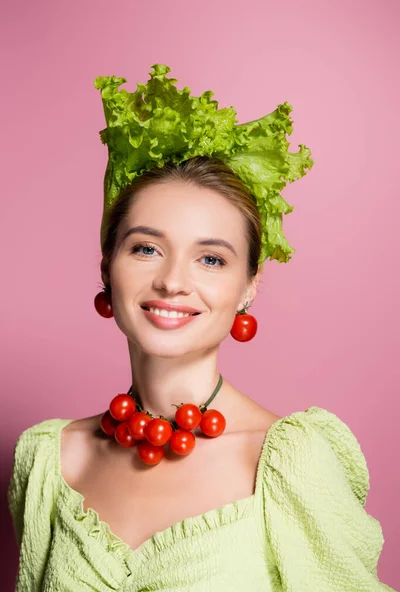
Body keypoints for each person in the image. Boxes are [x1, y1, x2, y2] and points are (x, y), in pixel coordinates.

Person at [7, 64, 394, 591]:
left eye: (210, 259)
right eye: (146, 248)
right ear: (107, 266)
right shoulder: (50, 461)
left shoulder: (289, 462)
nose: (172, 281)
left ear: (248, 286)